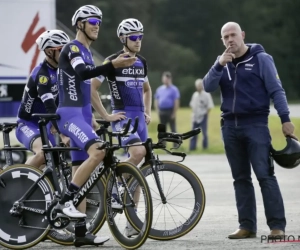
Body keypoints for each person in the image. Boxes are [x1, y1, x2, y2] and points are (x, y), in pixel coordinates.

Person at [203, 21, 297, 239]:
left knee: (265, 175)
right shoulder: (222, 62)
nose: (230, 40)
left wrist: (285, 119)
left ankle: (277, 226)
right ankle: (247, 226)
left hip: (255, 125)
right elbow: (207, 87)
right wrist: (218, 65)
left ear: (243, 35)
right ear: (222, 40)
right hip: (229, 127)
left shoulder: (261, 59)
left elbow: (277, 90)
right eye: (225, 37)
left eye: (233, 35)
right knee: (240, 178)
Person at [54, 5, 136, 246]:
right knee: (99, 151)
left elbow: (87, 90)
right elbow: (82, 74)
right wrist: (113, 66)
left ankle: (81, 234)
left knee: (83, 171)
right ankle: (64, 202)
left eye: (99, 21)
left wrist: (102, 115)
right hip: (69, 116)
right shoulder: (73, 48)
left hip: (81, 115)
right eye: (92, 21)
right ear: (80, 24)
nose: (97, 25)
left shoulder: (88, 52)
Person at [91, 18, 152, 237]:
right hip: (122, 117)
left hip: (139, 118)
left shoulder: (141, 61)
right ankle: (115, 187)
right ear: (123, 39)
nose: (138, 41)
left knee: (136, 173)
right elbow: (92, 89)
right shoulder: (112, 61)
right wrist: (106, 116)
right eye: (134, 37)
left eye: (140, 37)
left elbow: (147, 89)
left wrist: (148, 111)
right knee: (137, 153)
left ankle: (132, 222)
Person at [15, 29, 70, 168]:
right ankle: (17, 182)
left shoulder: (61, 70)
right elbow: (50, 106)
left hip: (45, 125)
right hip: (27, 124)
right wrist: (62, 133)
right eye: (62, 50)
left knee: (56, 160)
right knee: (43, 152)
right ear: (50, 52)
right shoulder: (42, 74)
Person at [189, 78, 214, 151]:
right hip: (195, 116)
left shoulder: (207, 94)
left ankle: (205, 147)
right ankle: (192, 148)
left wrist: (206, 114)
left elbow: (209, 106)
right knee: (193, 133)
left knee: (204, 133)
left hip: (203, 116)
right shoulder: (195, 95)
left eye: (200, 85)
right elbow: (192, 105)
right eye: (198, 85)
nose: (199, 87)